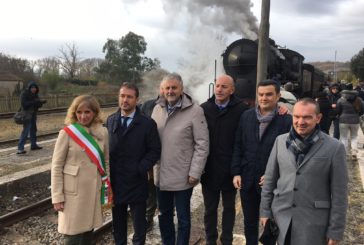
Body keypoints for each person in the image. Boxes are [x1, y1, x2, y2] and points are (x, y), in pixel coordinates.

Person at [260, 98, 348, 245]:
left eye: (307, 117)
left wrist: (335, 230)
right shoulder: (280, 142)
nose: (301, 122)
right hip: (281, 219)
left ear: (318, 118)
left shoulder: (335, 148)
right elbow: (269, 180)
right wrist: (265, 212)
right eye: (297, 116)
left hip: (313, 224)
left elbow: (340, 194)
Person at [231, 79, 292, 245]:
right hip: (248, 179)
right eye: (261, 94)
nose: (264, 98)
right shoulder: (247, 116)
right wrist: (236, 171)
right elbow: (238, 145)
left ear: (278, 95)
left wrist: (276, 173)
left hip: (272, 183)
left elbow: (291, 154)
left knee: (270, 223)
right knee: (249, 221)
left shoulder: (286, 121)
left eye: (269, 94)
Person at [151, 73, 209, 245]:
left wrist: (195, 172)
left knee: (183, 217)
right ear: (162, 89)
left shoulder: (195, 111)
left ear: (182, 89)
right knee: (163, 214)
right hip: (161, 173)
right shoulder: (157, 109)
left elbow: (202, 144)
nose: (170, 91)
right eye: (167, 88)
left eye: (174, 87)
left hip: (184, 175)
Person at [106, 82, 161, 245]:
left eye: (129, 97)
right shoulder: (111, 120)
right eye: (122, 96)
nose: (125, 100)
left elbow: (155, 150)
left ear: (136, 99)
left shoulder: (147, 124)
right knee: (118, 222)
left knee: (139, 223)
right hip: (116, 181)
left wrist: (141, 167)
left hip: (137, 181)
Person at [51, 95, 110, 245]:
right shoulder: (67, 133)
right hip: (73, 194)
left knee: (87, 235)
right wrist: (57, 196)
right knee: (73, 237)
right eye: (79, 112)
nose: (83, 116)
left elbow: (106, 162)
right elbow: (56, 166)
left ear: (95, 113)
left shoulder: (103, 133)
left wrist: (106, 186)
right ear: (74, 113)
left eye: (87, 112)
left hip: (93, 191)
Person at [200, 74, 248, 245]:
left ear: (232, 90)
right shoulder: (204, 108)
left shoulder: (241, 110)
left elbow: (243, 140)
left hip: (230, 169)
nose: (219, 89)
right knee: (209, 209)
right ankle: (210, 240)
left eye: (224, 87)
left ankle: (226, 239)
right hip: (209, 169)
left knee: (229, 209)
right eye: (217, 86)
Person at [140, 81, 165, 232]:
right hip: (150, 157)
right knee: (150, 192)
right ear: (159, 88)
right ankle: (148, 219)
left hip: (168, 158)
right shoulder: (147, 106)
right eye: (164, 87)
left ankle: (164, 219)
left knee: (165, 193)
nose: (166, 91)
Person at [17, 81, 46, 154]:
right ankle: (20, 148)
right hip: (26, 115)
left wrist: (40, 103)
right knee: (26, 131)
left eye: (35, 88)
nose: (34, 89)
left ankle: (33, 145)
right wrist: (34, 102)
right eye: (32, 88)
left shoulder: (35, 95)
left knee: (33, 130)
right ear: (29, 88)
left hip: (33, 114)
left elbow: (36, 105)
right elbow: (24, 105)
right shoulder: (24, 94)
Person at [336, 89, 364, 156]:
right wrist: (358, 115)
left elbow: (337, 110)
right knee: (354, 136)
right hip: (355, 121)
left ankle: (344, 152)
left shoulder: (340, 100)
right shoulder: (359, 100)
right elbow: (362, 109)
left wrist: (340, 115)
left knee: (343, 137)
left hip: (343, 121)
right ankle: (354, 151)